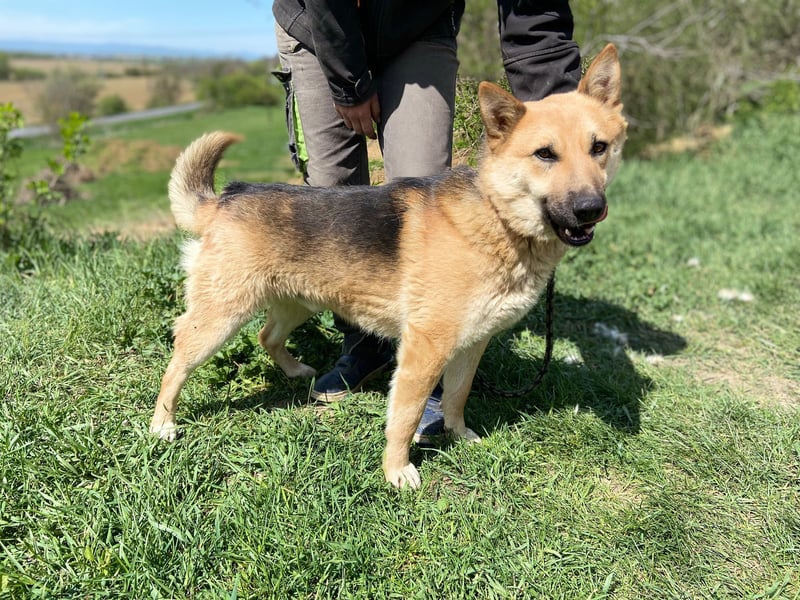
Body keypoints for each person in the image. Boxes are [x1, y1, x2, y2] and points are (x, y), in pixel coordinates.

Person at [271, 0, 581, 442]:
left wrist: (557, 104)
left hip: (418, 23)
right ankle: (363, 342)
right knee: (332, 196)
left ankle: (430, 362)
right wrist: (349, 86)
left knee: (425, 189)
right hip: (319, 27)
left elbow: (532, 10)